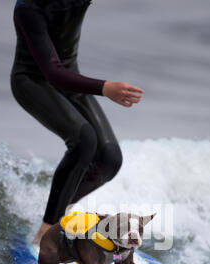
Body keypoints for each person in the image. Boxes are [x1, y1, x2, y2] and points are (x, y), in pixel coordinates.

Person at [10, 0, 143, 244]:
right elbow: (53, 73)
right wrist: (104, 88)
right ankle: (45, 232)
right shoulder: (29, 8)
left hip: (71, 79)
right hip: (32, 82)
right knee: (84, 140)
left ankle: (58, 214)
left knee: (110, 160)